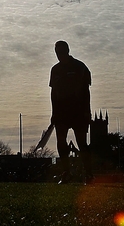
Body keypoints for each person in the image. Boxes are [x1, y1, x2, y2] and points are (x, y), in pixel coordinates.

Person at [49, 40, 93, 184]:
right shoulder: (55, 70)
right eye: (57, 53)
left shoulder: (80, 67)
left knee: (81, 142)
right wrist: (54, 113)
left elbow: (86, 92)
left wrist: (87, 112)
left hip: (78, 112)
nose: (59, 55)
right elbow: (53, 93)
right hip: (61, 113)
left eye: (61, 52)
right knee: (61, 141)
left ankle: (89, 174)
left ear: (67, 51)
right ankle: (66, 173)